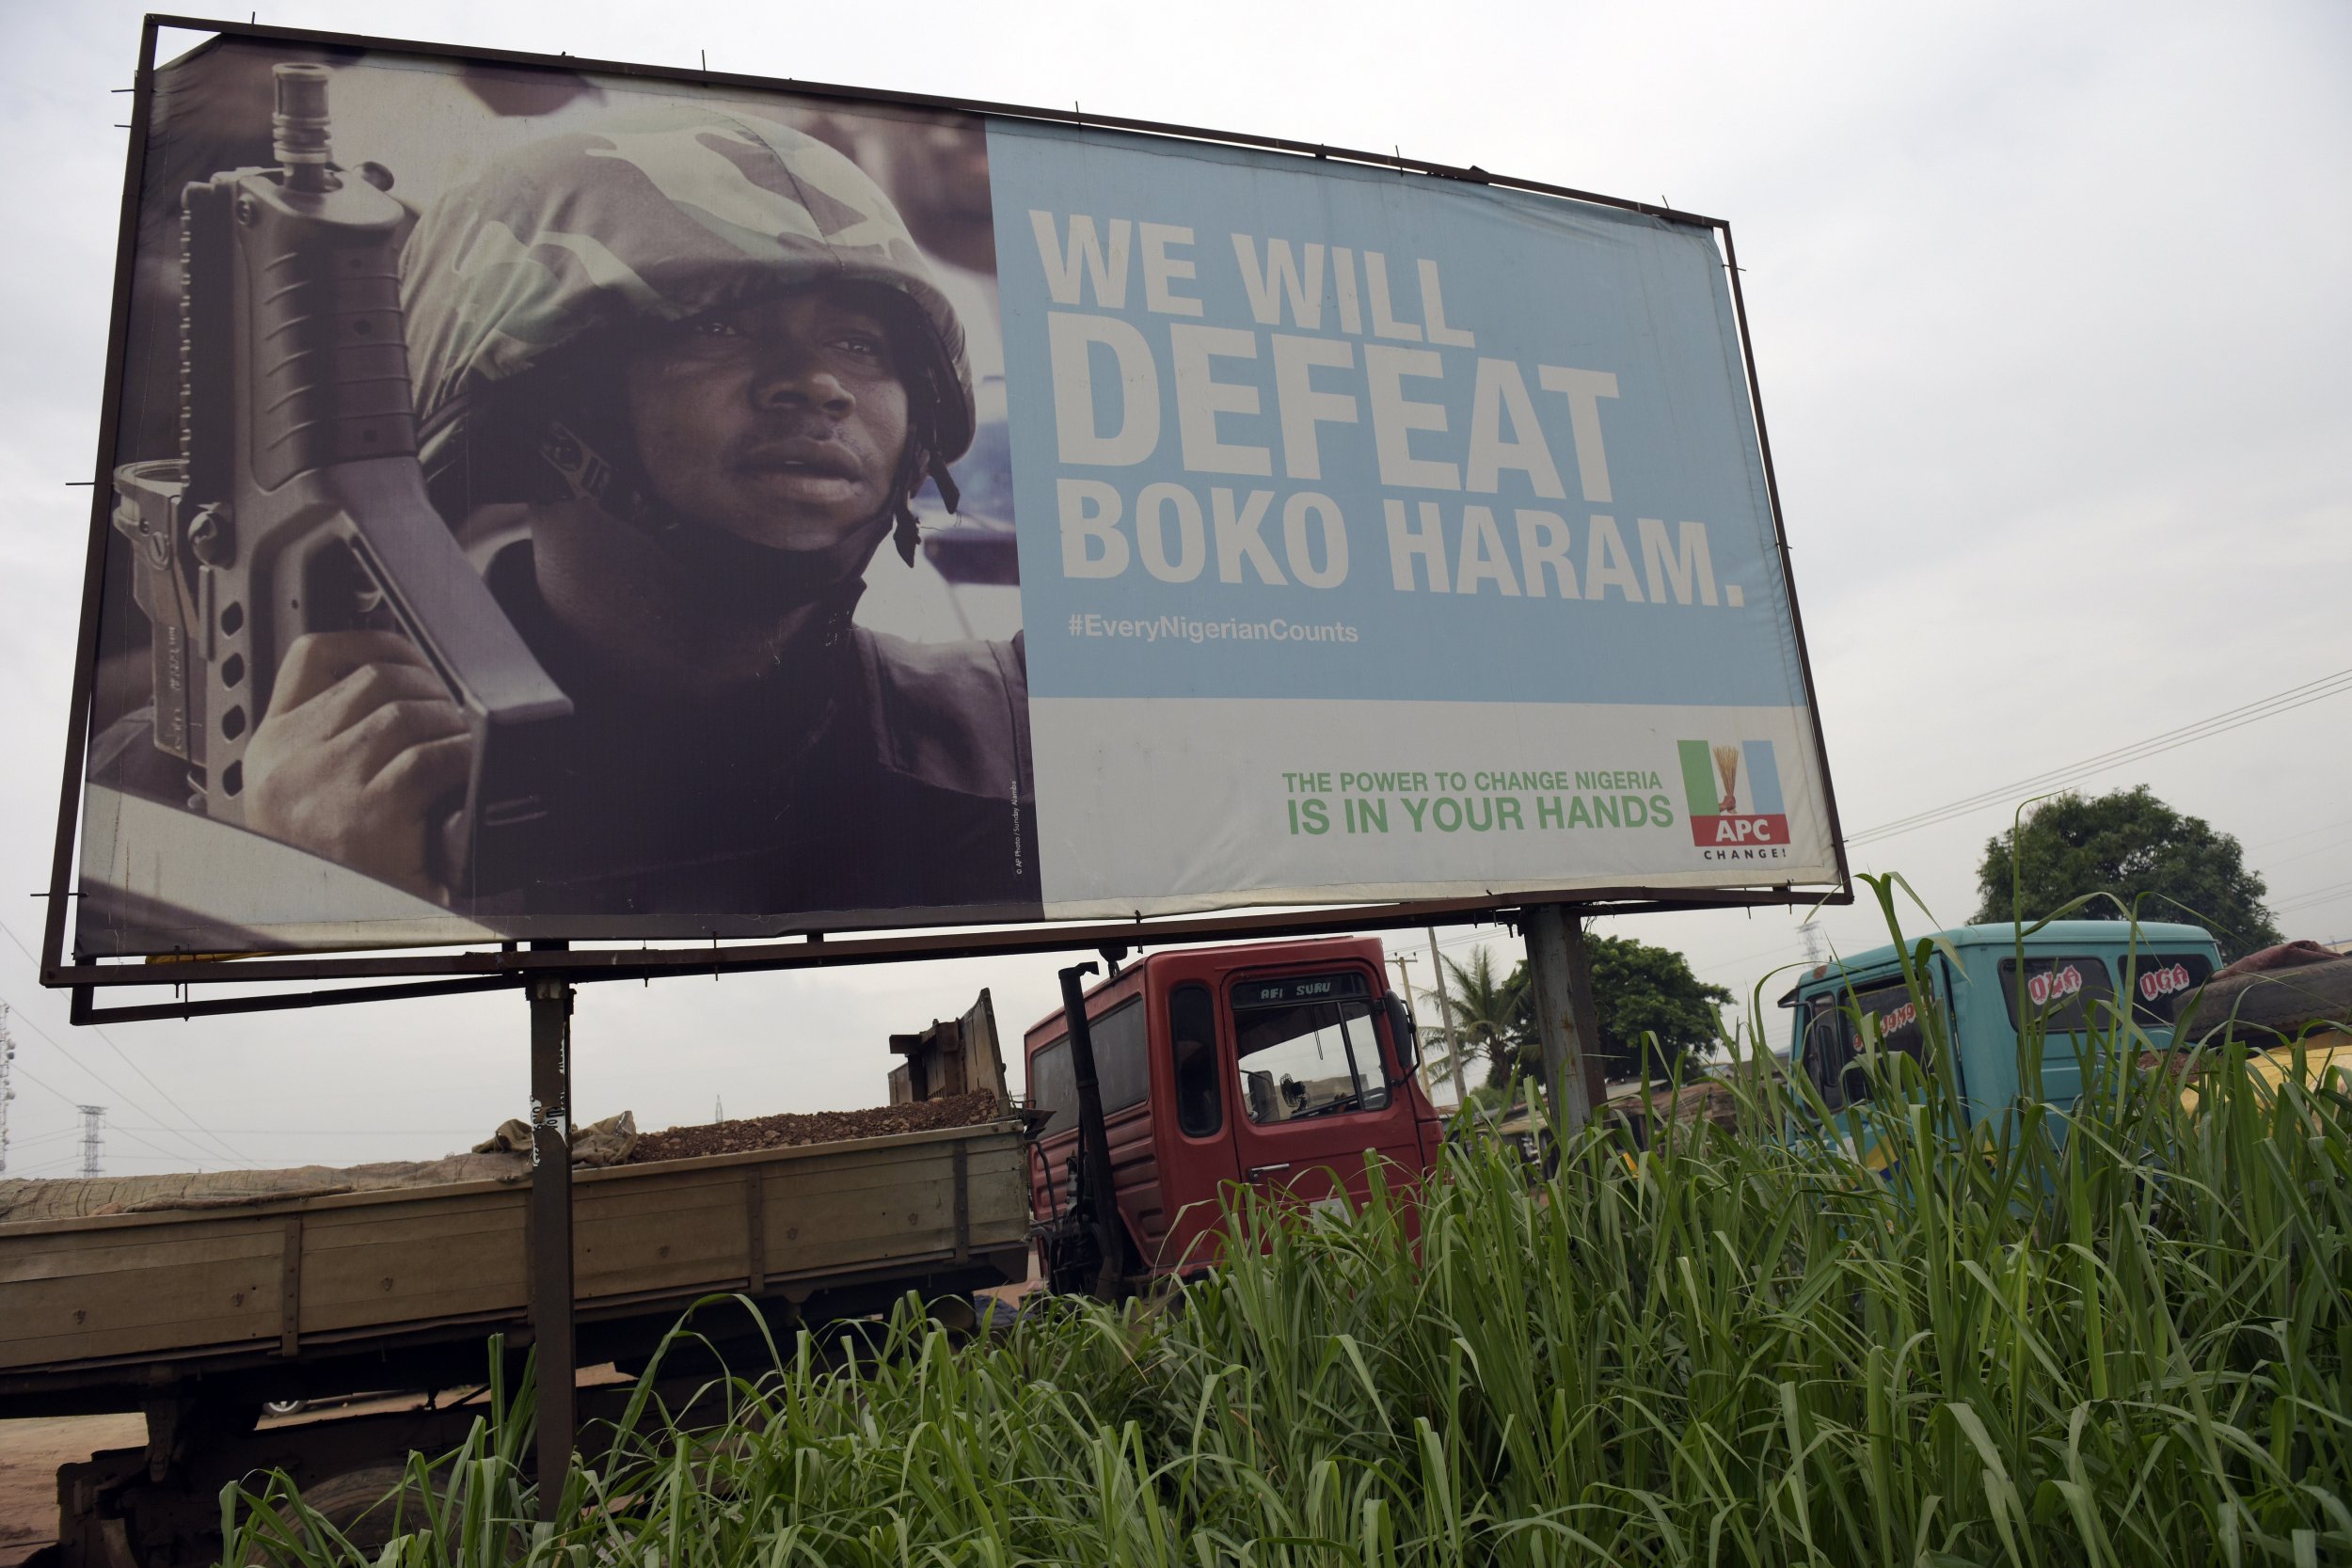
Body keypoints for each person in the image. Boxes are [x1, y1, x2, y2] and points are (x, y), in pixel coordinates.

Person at [236, 106, 1040, 925]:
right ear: (532, 409)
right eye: (717, 328)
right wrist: (311, 902)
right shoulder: (309, 783)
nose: (819, 383)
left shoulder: (1026, 738)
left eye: (862, 345)